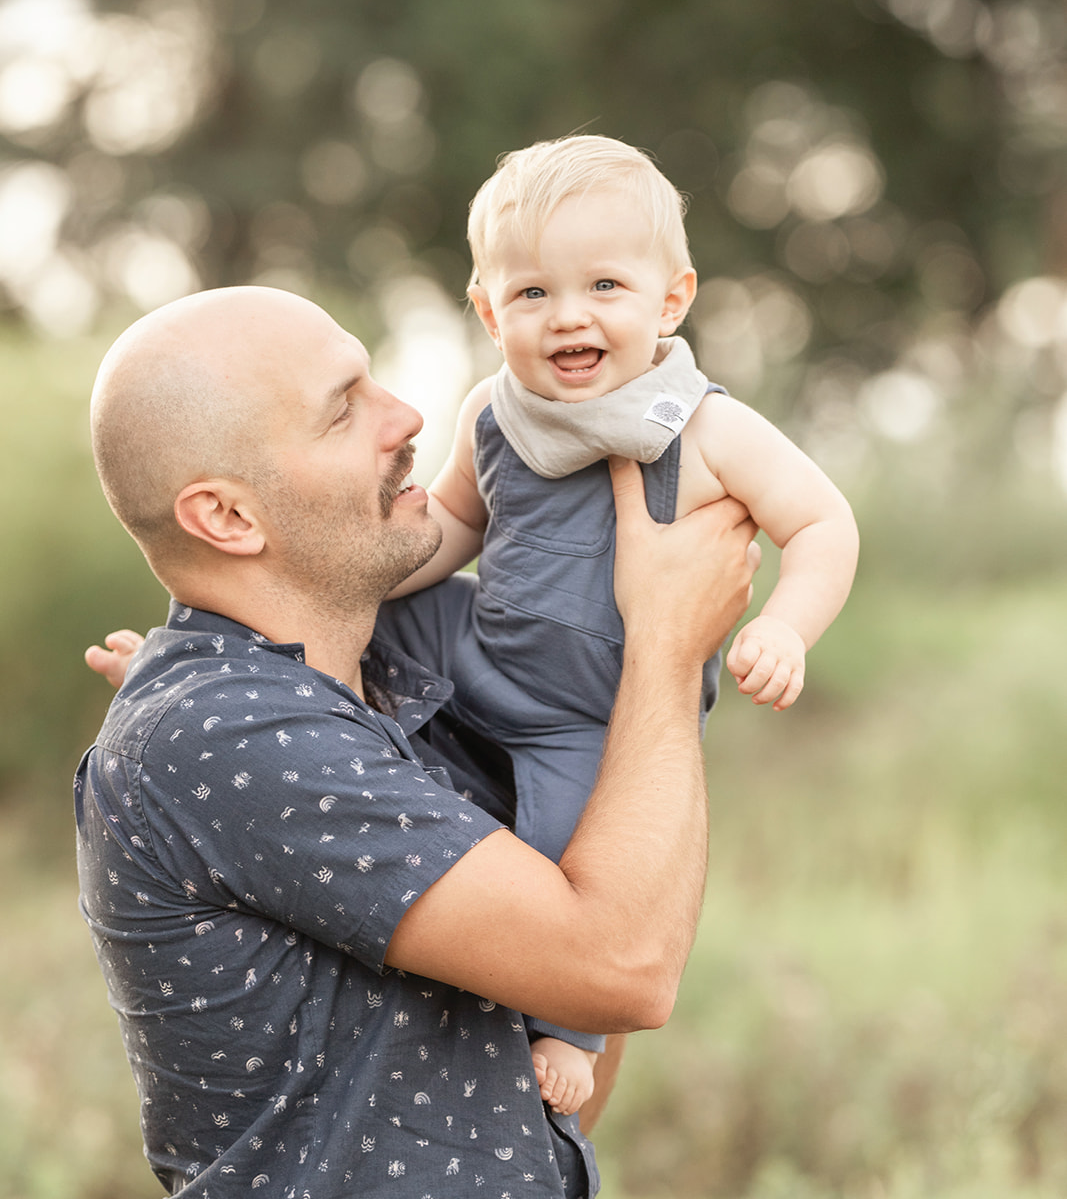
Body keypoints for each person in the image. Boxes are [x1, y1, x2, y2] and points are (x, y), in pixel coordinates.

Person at [77, 284, 757, 1198]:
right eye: (342, 410)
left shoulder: (398, 690)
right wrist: (664, 650)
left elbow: (552, 1098)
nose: (406, 417)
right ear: (229, 518)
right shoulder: (220, 730)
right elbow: (624, 968)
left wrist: (609, 663)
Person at [370, 133, 860, 1114]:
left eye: (603, 285)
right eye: (533, 293)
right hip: (482, 646)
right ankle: (252, 652)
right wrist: (368, 583)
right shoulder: (491, 413)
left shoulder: (703, 426)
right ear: (485, 308)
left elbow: (821, 522)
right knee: (381, 612)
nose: (569, 316)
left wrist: (786, 627)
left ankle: (567, 1030)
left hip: (588, 717)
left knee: (577, 845)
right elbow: (458, 527)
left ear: (669, 300)